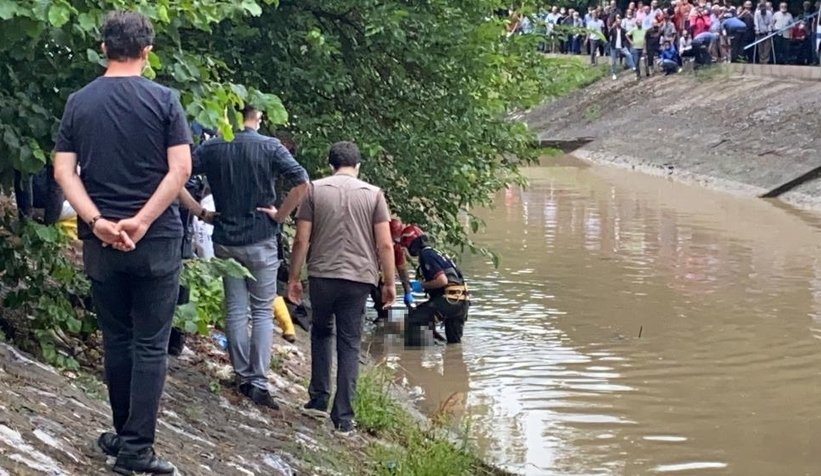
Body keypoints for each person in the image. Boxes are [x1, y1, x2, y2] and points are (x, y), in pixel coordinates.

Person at [53, 11, 191, 475]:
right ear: (147, 51)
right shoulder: (165, 100)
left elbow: (62, 172)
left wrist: (98, 220)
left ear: (103, 49)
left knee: (117, 340)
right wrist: (141, 221)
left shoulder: (79, 103)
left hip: (101, 242)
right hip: (156, 240)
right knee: (151, 345)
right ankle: (135, 451)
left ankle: (123, 437)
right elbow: (180, 171)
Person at [180, 105, 309, 409]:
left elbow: (177, 174)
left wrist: (201, 213)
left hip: (225, 236)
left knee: (236, 309)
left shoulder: (212, 147)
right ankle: (258, 381)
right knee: (262, 311)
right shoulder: (270, 147)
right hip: (261, 236)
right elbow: (302, 183)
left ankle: (241, 374)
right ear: (258, 116)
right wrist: (280, 216)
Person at [288, 141, 396, 434]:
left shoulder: (313, 189)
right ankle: (344, 417)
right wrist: (389, 281)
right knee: (349, 343)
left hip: (323, 274)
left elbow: (301, 240)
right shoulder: (374, 195)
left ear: (330, 164)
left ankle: (318, 400)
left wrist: (294, 278)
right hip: (359, 278)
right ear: (358, 166)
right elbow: (385, 243)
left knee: (321, 332)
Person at [399, 225, 470, 346]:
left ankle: (414, 361)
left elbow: (442, 281)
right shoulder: (437, 253)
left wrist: (421, 285)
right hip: (462, 301)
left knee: (413, 320)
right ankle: (455, 361)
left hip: (449, 300)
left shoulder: (425, 254)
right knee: (454, 344)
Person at [371, 218, 414, 321]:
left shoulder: (397, 248)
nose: (393, 244)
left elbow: (402, 270)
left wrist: (407, 291)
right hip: (363, 276)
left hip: (380, 279)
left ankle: (381, 328)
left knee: (384, 308)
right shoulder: (370, 242)